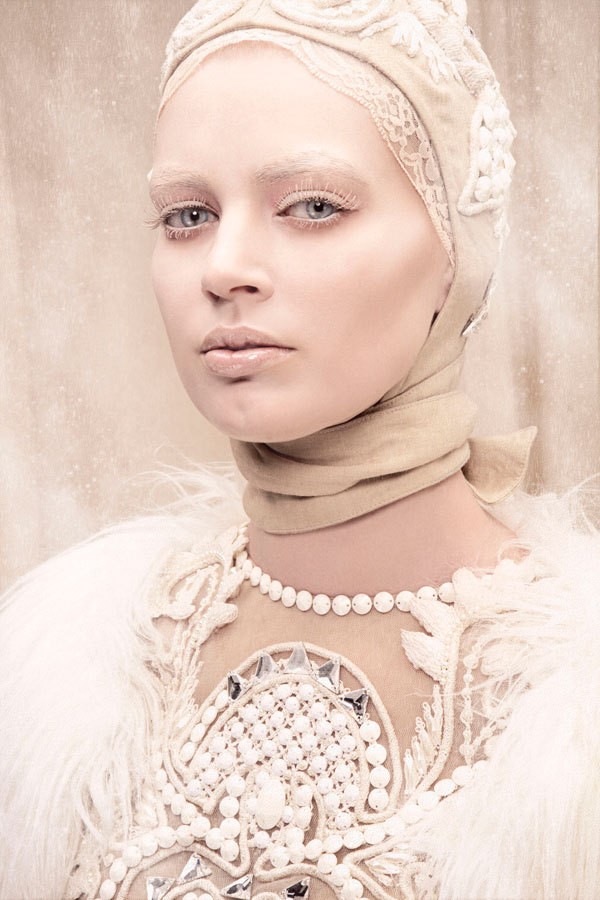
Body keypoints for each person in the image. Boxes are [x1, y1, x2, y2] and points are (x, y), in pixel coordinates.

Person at [1, 2, 599, 899]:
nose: (223, 267)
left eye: (314, 206)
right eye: (187, 214)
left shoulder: (574, 712)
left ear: (455, 249)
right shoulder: (65, 672)